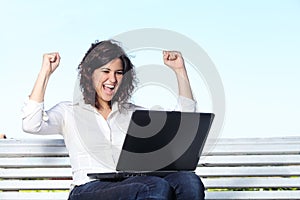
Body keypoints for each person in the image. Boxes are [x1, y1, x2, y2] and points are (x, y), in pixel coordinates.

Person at [22, 40, 205, 200]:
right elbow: (31, 124)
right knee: (154, 186)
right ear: (90, 73)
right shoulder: (68, 111)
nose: (112, 79)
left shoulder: (133, 114)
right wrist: (45, 72)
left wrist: (179, 70)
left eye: (118, 73)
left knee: (188, 181)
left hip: (133, 184)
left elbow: (185, 120)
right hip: (87, 190)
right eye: (106, 71)